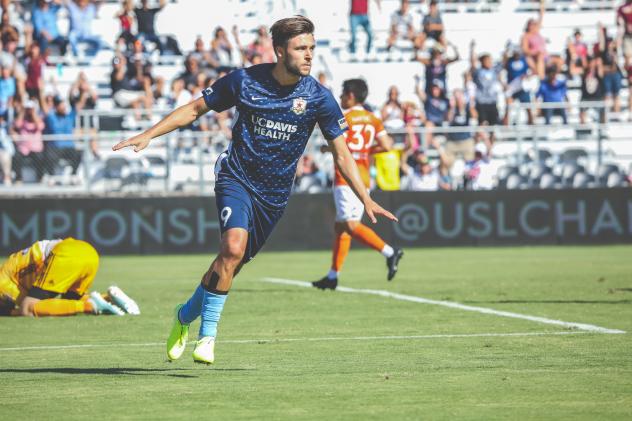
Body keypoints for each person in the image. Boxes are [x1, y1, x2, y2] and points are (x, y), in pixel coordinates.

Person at [112, 16, 397, 365]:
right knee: (231, 249)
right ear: (280, 51)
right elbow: (195, 109)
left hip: (274, 197)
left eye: (311, 48)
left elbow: (341, 153)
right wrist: (149, 134)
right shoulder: (245, 80)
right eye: (300, 48)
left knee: (229, 265)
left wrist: (365, 197)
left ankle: (184, 315)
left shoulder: (319, 97)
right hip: (235, 177)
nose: (309, 55)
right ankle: (208, 338)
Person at [312, 78, 402, 290]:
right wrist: (366, 151)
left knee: (350, 225)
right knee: (341, 227)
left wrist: (329, 150)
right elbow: (388, 145)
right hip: (364, 177)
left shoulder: (345, 118)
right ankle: (333, 276)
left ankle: (390, 252)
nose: (341, 98)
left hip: (347, 178)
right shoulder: (373, 119)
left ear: (351, 95)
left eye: (343, 94)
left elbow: (339, 146)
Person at [0, 237, 139, 317]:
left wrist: (11, 312)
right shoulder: (8, 270)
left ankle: (93, 305)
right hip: (89, 252)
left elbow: (28, 305)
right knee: (70, 301)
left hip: (65, 255)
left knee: (27, 308)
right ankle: (110, 298)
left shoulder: (3, 282)